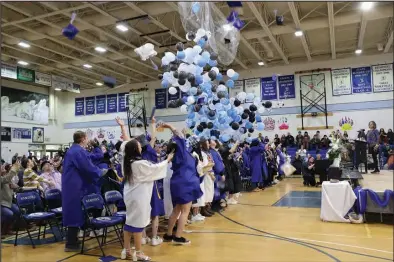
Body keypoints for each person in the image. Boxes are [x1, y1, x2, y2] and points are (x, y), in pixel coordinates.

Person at [121, 139, 173, 261]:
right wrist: (167, 160)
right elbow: (155, 169)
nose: (141, 147)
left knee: (129, 222)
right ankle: (138, 253)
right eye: (139, 146)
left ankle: (126, 250)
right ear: (135, 149)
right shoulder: (139, 163)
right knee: (138, 225)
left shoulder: (126, 161)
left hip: (130, 195)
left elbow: (125, 145)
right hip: (139, 196)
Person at [62, 131, 108, 252]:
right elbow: (87, 167)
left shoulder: (73, 150)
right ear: (83, 138)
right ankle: (71, 243)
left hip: (73, 185)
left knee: (75, 213)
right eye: (86, 138)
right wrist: (99, 172)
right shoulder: (78, 151)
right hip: (75, 187)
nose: (87, 140)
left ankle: (73, 241)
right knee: (74, 213)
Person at [162, 123, 203, 245]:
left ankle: (169, 235)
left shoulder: (180, 155)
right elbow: (179, 136)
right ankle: (178, 237)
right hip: (186, 184)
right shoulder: (184, 153)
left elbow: (180, 137)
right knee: (185, 211)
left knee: (177, 210)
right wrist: (169, 126)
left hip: (178, 182)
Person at [1, 159, 21, 236]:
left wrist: (16, 187)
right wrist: (13, 170)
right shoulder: (2, 178)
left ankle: (8, 228)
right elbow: (6, 179)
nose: (3, 168)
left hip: (8, 202)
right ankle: (2, 231)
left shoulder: (5, 177)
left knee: (17, 211)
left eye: (3, 167)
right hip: (2, 204)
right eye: (2, 168)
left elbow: (13, 185)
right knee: (9, 214)